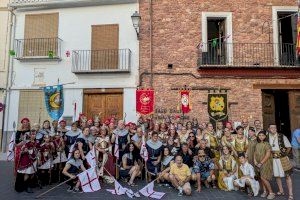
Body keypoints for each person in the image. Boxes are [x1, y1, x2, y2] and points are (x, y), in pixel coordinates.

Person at [268, 124, 294, 200]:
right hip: (273, 159)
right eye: (271, 127)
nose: (273, 129)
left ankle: (290, 194)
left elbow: (289, 146)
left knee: (287, 176)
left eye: (274, 127)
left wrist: (284, 154)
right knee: (277, 176)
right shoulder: (267, 136)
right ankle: (281, 190)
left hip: (283, 158)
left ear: (276, 128)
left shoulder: (282, 136)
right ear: (269, 129)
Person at [254, 130, 275, 199]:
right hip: (258, 163)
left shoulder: (267, 144)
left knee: (263, 177)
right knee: (261, 177)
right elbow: (255, 153)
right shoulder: (257, 144)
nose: (261, 137)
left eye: (263, 135)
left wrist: (261, 163)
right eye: (259, 135)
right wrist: (255, 161)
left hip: (265, 163)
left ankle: (271, 192)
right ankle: (265, 191)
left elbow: (268, 154)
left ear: (265, 136)